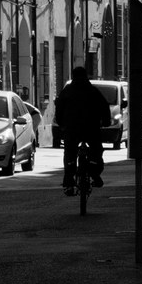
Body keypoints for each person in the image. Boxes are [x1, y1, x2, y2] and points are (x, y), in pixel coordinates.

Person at [54, 66, 110, 196]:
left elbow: (59, 109)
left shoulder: (66, 91)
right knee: (96, 150)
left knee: (69, 152)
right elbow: (104, 107)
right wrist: (105, 122)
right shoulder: (93, 91)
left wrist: (61, 124)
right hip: (91, 128)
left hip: (72, 129)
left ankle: (68, 182)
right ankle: (94, 173)